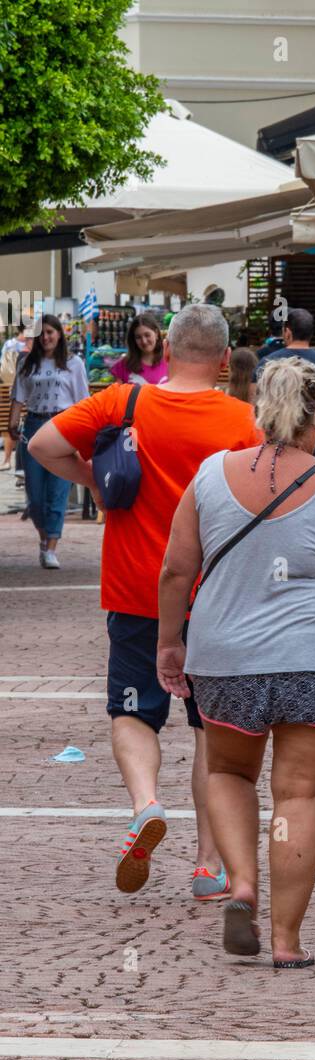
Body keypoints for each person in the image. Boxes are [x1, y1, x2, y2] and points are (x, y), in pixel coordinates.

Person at [156, 357, 315, 967]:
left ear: (258, 409)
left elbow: (175, 570)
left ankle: (241, 882)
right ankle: (286, 942)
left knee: (228, 774)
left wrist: (171, 643)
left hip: (225, 657)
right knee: (298, 796)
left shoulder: (211, 477)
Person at [27, 304, 262, 899]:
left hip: (137, 591)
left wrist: (96, 480)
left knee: (132, 711)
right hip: (216, 596)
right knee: (212, 727)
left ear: (170, 348)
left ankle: (145, 804)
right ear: (224, 358)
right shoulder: (242, 420)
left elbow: (42, 443)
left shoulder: (124, 402)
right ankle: (210, 865)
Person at [8, 315, 89, 568]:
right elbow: (18, 396)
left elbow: (83, 400)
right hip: (33, 426)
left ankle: (51, 547)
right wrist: (12, 423)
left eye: (51, 332)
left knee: (58, 490)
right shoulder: (26, 362)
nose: (46, 337)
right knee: (35, 494)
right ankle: (44, 539)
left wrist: (83, 433)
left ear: (59, 334)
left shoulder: (74, 363)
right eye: (41, 333)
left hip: (62, 426)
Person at [257, 307, 315, 465]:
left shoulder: (267, 364)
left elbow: (255, 406)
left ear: (287, 332)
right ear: (311, 333)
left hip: (274, 450)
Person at [1, 324, 33, 473]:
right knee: (16, 426)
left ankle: (12, 463)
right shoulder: (17, 346)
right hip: (14, 388)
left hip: (17, 388)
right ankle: (11, 462)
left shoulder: (21, 346)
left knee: (19, 426)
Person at [108, 313, 168, 386]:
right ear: (133, 340)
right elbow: (117, 395)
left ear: (156, 334)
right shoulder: (122, 366)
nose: (144, 341)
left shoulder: (170, 362)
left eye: (147, 335)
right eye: (138, 337)